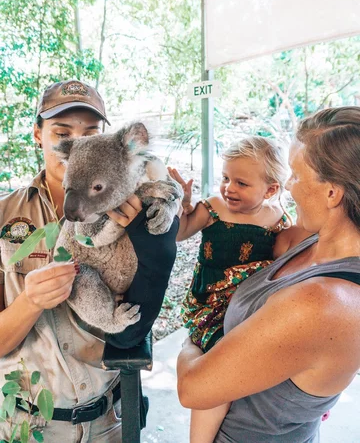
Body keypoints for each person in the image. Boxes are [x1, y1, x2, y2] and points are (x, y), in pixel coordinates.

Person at [0, 80, 179, 442]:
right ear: (39, 134)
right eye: (63, 131)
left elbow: (173, 232)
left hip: (110, 416)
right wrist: (30, 301)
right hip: (27, 424)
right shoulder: (5, 215)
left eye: (92, 131)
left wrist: (169, 201)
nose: (79, 141)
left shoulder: (128, 199)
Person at [177, 106, 360, 443]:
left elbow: (193, 388)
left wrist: (191, 342)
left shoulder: (323, 303)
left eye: (295, 175)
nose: (288, 187)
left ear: (332, 193)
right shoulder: (309, 242)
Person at [169, 136, 291, 443]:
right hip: (209, 300)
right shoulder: (214, 207)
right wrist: (182, 206)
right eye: (225, 178)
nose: (229, 188)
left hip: (247, 306)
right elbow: (180, 234)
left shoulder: (276, 221)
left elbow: (280, 268)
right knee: (215, 364)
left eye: (241, 183)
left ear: (271, 189)